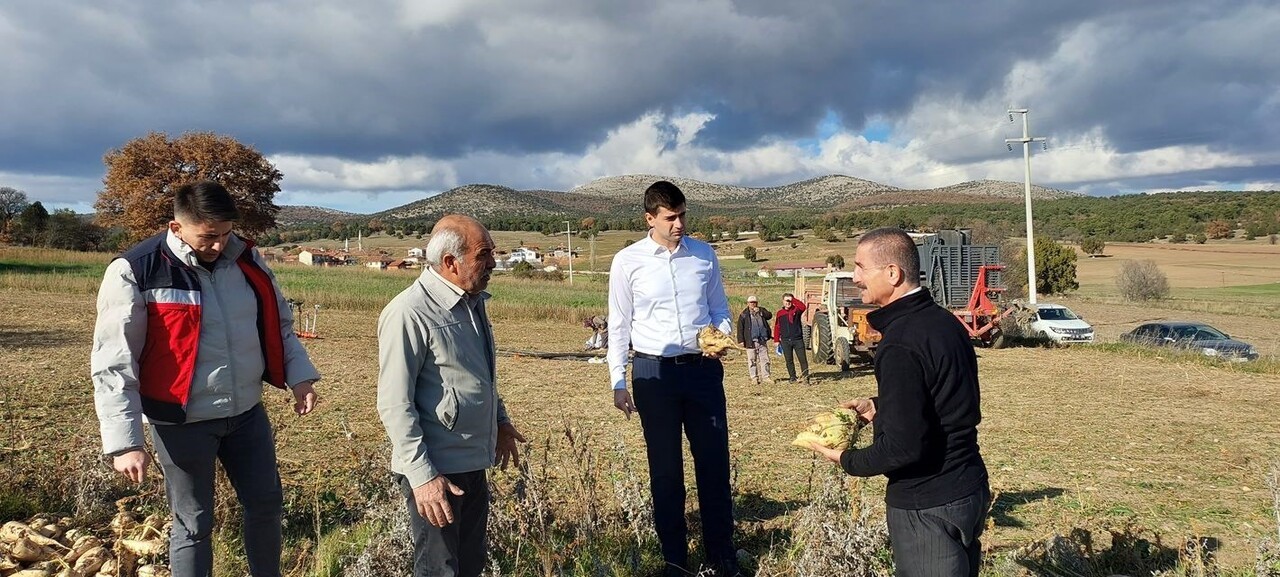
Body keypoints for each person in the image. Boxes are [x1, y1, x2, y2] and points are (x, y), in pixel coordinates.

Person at [92, 180, 321, 577]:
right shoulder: (135, 270)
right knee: (194, 524)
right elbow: (114, 361)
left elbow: (278, 326)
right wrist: (125, 442)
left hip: (246, 414)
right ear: (176, 227)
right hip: (181, 422)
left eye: (226, 233)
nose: (218, 245)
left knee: (266, 506)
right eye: (208, 237)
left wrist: (300, 377)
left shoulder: (248, 260)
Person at [806, 227, 990, 577]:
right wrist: (881, 406)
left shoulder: (900, 342)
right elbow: (947, 398)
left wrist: (846, 459)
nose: (856, 277)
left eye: (861, 267)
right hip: (969, 486)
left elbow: (904, 448)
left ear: (893, 273)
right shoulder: (943, 322)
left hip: (928, 502)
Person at [377, 214, 525, 577]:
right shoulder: (408, 312)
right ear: (450, 263)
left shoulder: (472, 303)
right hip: (437, 469)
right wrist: (423, 477)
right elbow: (394, 403)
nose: (493, 263)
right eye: (484, 254)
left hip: (472, 461)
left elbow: (477, 376)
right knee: (438, 570)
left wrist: (500, 421)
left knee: (470, 566)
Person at [607, 181, 741, 577]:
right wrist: (618, 380)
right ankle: (675, 560)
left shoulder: (704, 255)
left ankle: (722, 554)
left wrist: (721, 335)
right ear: (650, 218)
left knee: (714, 464)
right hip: (653, 373)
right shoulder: (627, 261)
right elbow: (619, 324)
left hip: (703, 371)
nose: (680, 223)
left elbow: (719, 306)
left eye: (683, 215)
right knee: (665, 470)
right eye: (671, 217)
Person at [772, 292, 810, 384]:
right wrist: (776, 340)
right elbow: (777, 327)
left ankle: (806, 377)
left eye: (789, 301)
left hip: (797, 340)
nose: (788, 302)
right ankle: (792, 377)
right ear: (783, 301)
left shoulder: (796, 310)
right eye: (786, 300)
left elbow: (803, 307)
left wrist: (793, 299)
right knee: (789, 360)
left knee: (802, 359)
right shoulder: (780, 313)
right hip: (785, 340)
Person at [735, 295, 772, 384]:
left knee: (765, 360)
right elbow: (740, 328)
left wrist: (761, 312)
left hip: (762, 340)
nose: (753, 304)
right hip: (750, 341)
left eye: (754, 302)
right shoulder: (744, 314)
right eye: (751, 303)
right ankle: (754, 378)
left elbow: (769, 315)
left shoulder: (761, 311)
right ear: (748, 304)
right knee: (752, 360)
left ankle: (766, 377)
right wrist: (741, 341)